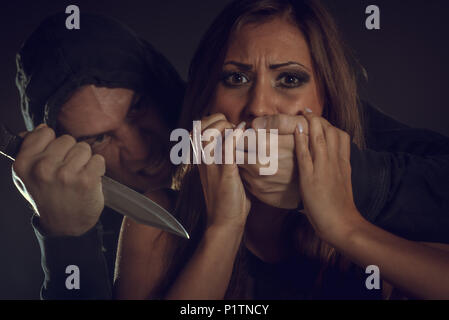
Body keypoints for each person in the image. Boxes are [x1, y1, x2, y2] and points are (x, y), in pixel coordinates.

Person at [114, 0, 449, 299]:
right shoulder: (156, 220)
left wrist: (344, 227)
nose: (258, 107)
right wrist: (224, 228)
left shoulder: (380, 209)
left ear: (325, 101)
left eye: (289, 80)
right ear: (207, 97)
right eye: (236, 79)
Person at [11, 12, 185, 299]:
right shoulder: (85, 248)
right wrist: (67, 241)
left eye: (137, 107)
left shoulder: (242, 148)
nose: (140, 150)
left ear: (161, 86)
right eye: (99, 139)